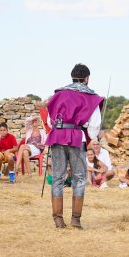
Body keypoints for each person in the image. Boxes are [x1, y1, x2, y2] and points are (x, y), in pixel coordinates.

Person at [45, 63, 103, 229]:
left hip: (57, 137)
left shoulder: (58, 94)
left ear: (72, 76)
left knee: (57, 177)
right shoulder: (91, 97)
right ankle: (75, 220)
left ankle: (58, 219)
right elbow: (94, 126)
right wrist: (91, 138)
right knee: (78, 178)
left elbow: (50, 121)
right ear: (87, 79)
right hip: (77, 139)